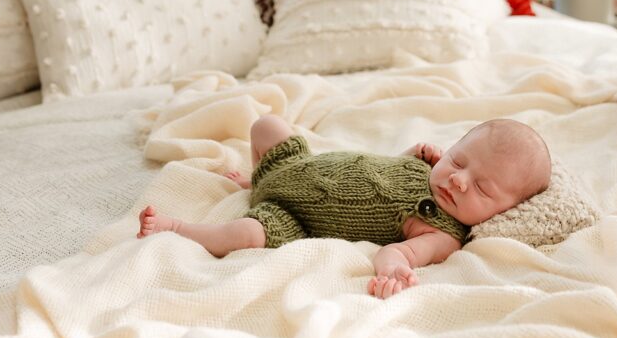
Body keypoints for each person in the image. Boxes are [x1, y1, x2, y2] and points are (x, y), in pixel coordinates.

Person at [137, 114, 552, 298]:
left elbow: (398, 251)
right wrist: (411, 153)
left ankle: (178, 229)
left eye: (480, 187)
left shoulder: (442, 234)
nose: (458, 179)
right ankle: (255, 178)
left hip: (293, 215)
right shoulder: (429, 169)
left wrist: (394, 272)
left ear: (501, 212)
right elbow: (383, 170)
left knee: (245, 234)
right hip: (297, 165)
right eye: (458, 160)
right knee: (267, 126)